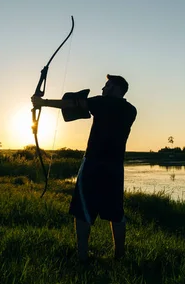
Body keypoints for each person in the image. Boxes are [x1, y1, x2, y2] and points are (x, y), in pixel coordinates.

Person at [31, 74, 137, 262]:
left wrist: (43, 102)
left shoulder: (102, 103)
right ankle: (119, 258)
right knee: (116, 212)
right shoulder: (131, 110)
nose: (103, 88)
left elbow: (73, 105)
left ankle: (82, 258)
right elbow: (79, 105)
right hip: (115, 167)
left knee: (83, 209)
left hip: (93, 164)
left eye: (107, 85)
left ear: (117, 88)